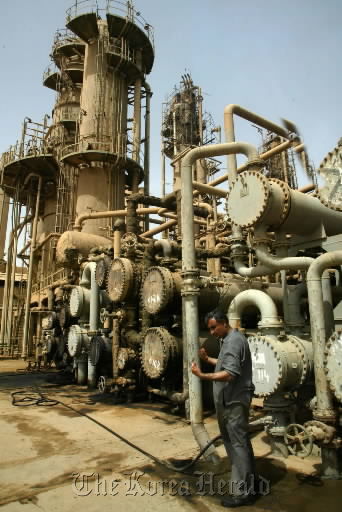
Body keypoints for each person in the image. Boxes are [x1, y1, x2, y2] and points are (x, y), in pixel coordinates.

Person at [191, 309, 258, 508]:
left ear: (224, 323)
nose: (211, 332)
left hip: (234, 402)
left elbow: (229, 373)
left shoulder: (233, 341)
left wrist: (202, 376)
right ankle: (249, 485)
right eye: (209, 328)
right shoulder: (230, 339)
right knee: (239, 443)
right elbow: (224, 364)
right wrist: (207, 360)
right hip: (231, 400)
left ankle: (242, 493)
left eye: (214, 327)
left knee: (237, 445)